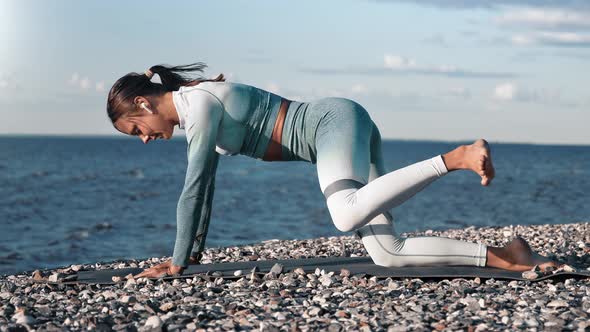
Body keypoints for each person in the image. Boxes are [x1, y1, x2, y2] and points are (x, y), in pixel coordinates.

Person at [105, 62, 561, 278]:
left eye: (137, 128)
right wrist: (194, 255)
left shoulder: (196, 104)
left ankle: (455, 158)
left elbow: (195, 186)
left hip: (332, 124)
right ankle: (509, 255)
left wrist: (179, 262)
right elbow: (204, 192)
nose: (144, 138)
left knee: (343, 213)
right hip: (340, 131)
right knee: (388, 253)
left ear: (144, 103)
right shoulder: (193, 109)